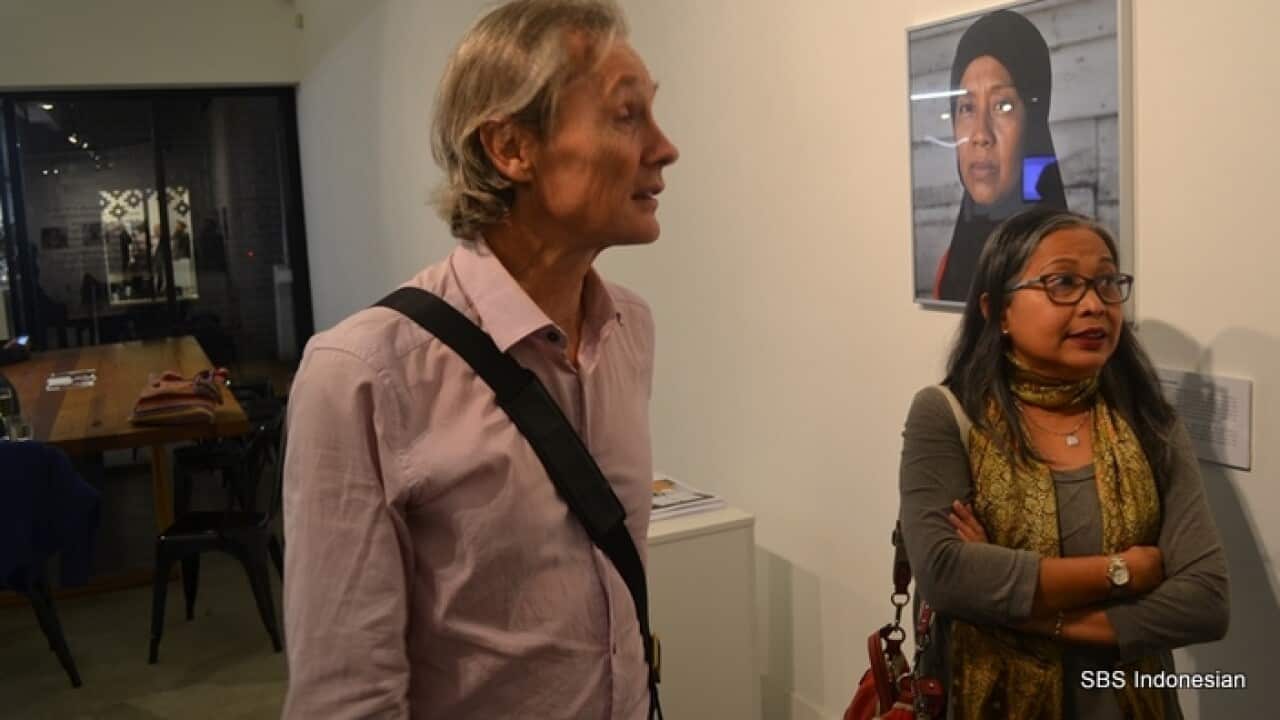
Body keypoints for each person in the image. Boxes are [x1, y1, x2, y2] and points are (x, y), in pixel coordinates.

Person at [281, 1, 678, 718]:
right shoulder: (364, 373)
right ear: (512, 148)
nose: (664, 147)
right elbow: (346, 696)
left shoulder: (629, 329)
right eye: (626, 116)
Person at [900, 208, 1229, 718]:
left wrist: (1028, 615)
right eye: (1063, 284)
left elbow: (1206, 602)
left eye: (1106, 283)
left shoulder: (1147, 421)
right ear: (997, 310)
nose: (1095, 305)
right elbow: (946, 574)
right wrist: (1126, 571)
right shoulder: (948, 414)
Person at [933, 10, 1069, 302]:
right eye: (967, 108)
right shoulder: (949, 266)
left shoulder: (1065, 265)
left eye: (1002, 106)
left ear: (1032, 123)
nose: (980, 134)